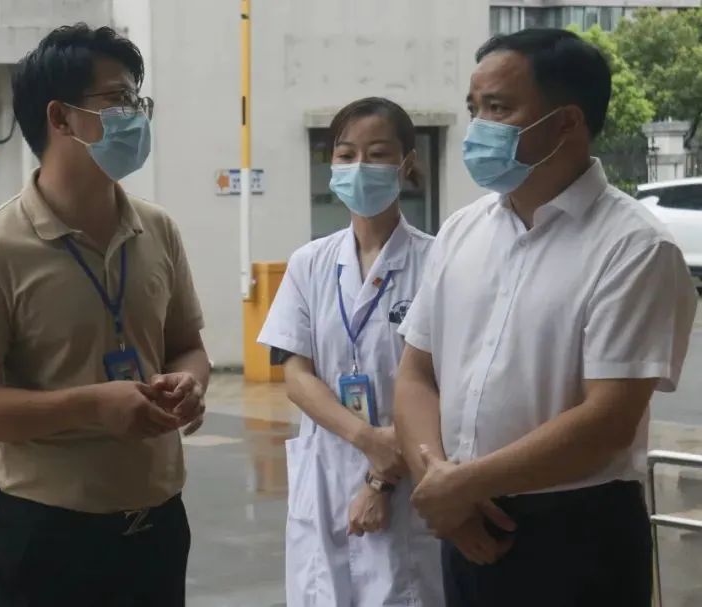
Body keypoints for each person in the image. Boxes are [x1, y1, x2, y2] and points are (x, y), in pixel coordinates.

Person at [394, 28, 697, 607]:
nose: (478, 127)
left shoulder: (634, 247)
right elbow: (415, 372)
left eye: (498, 108)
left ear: (566, 123)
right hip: (462, 517)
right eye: (474, 108)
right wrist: (439, 480)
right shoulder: (461, 231)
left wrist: (463, 485)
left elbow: (608, 420)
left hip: (575, 533)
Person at [0, 24, 209, 607]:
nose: (135, 116)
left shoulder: (157, 229)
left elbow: (187, 345)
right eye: (117, 100)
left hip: (158, 523)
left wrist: (190, 382)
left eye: (138, 100)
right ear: (60, 118)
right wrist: (90, 406)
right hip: (50, 533)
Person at [258, 97, 444, 607]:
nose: (360, 166)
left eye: (378, 153)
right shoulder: (309, 263)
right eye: (346, 154)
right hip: (326, 477)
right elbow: (296, 374)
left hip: (407, 480)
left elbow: (439, 386)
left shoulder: (437, 262)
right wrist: (366, 438)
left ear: (407, 163)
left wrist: (380, 479)